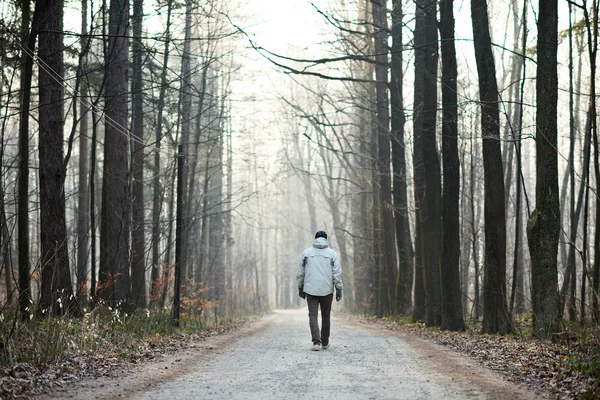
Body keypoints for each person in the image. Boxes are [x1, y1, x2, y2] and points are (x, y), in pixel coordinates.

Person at [296, 230, 343, 351]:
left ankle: (316, 343)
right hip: (327, 289)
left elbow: (300, 273)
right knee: (326, 315)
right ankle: (325, 342)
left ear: (315, 238)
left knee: (313, 315)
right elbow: (336, 273)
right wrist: (338, 288)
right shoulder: (332, 253)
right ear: (326, 239)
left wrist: (300, 287)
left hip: (310, 289)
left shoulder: (306, 253)